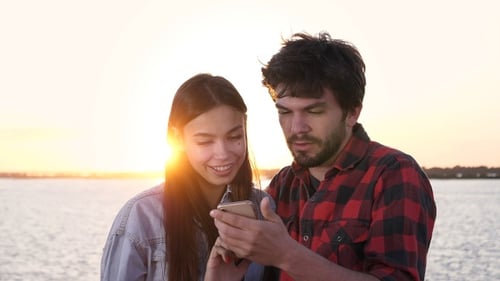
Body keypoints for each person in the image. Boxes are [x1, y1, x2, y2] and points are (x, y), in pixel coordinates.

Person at [210, 32, 437, 281]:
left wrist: (287, 255)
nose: (296, 128)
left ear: (352, 112)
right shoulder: (283, 185)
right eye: (285, 112)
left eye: (314, 111)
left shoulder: (394, 175)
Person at [100, 73, 272, 281]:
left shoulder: (263, 209)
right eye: (205, 142)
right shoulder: (142, 218)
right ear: (177, 138)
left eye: (234, 137)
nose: (223, 153)